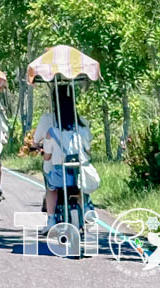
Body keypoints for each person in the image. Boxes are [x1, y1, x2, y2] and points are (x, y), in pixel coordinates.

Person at [39, 85, 92, 232]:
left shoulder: (53, 131)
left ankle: (51, 219)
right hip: (79, 170)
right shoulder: (82, 127)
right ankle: (86, 209)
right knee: (81, 189)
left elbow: (48, 155)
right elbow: (88, 150)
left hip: (59, 172)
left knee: (51, 188)